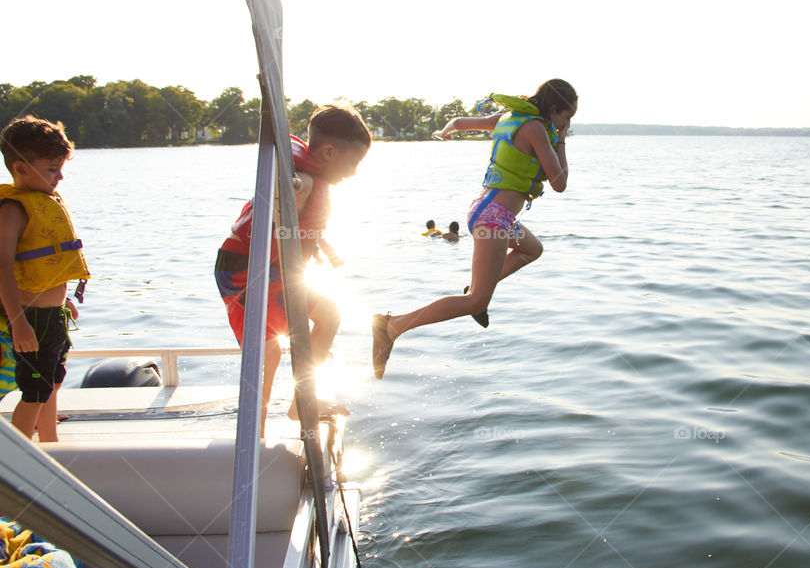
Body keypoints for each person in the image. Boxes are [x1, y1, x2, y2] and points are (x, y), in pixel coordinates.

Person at [372, 79, 577, 378]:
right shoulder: (535, 129)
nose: (566, 124)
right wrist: (561, 140)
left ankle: (475, 286)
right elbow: (559, 183)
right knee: (477, 302)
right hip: (493, 217)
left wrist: (445, 132)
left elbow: (458, 122)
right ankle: (392, 326)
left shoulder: (509, 118)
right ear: (555, 109)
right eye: (566, 117)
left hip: (490, 212)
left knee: (532, 249)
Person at [215, 104, 370, 436]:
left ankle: (262, 428)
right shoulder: (304, 182)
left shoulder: (312, 180)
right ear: (328, 152)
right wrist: (292, 183)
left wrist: (322, 247)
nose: (355, 172)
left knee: (269, 347)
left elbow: (299, 225)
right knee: (326, 316)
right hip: (249, 273)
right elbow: (291, 188)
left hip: (243, 269)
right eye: (354, 162)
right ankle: (302, 402)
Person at [0, 116, 88, 442]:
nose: (59, 176)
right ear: (21, 168)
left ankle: (51, 445)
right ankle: (19, 460)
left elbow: (49, 266)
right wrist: (18, 321)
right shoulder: (12, 209)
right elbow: (3, 268)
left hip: (53, 314)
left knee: (52, 383)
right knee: (35, 389)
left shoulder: (45, 202)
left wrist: (64, 301)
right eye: (52, 169)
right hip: (31, 317)